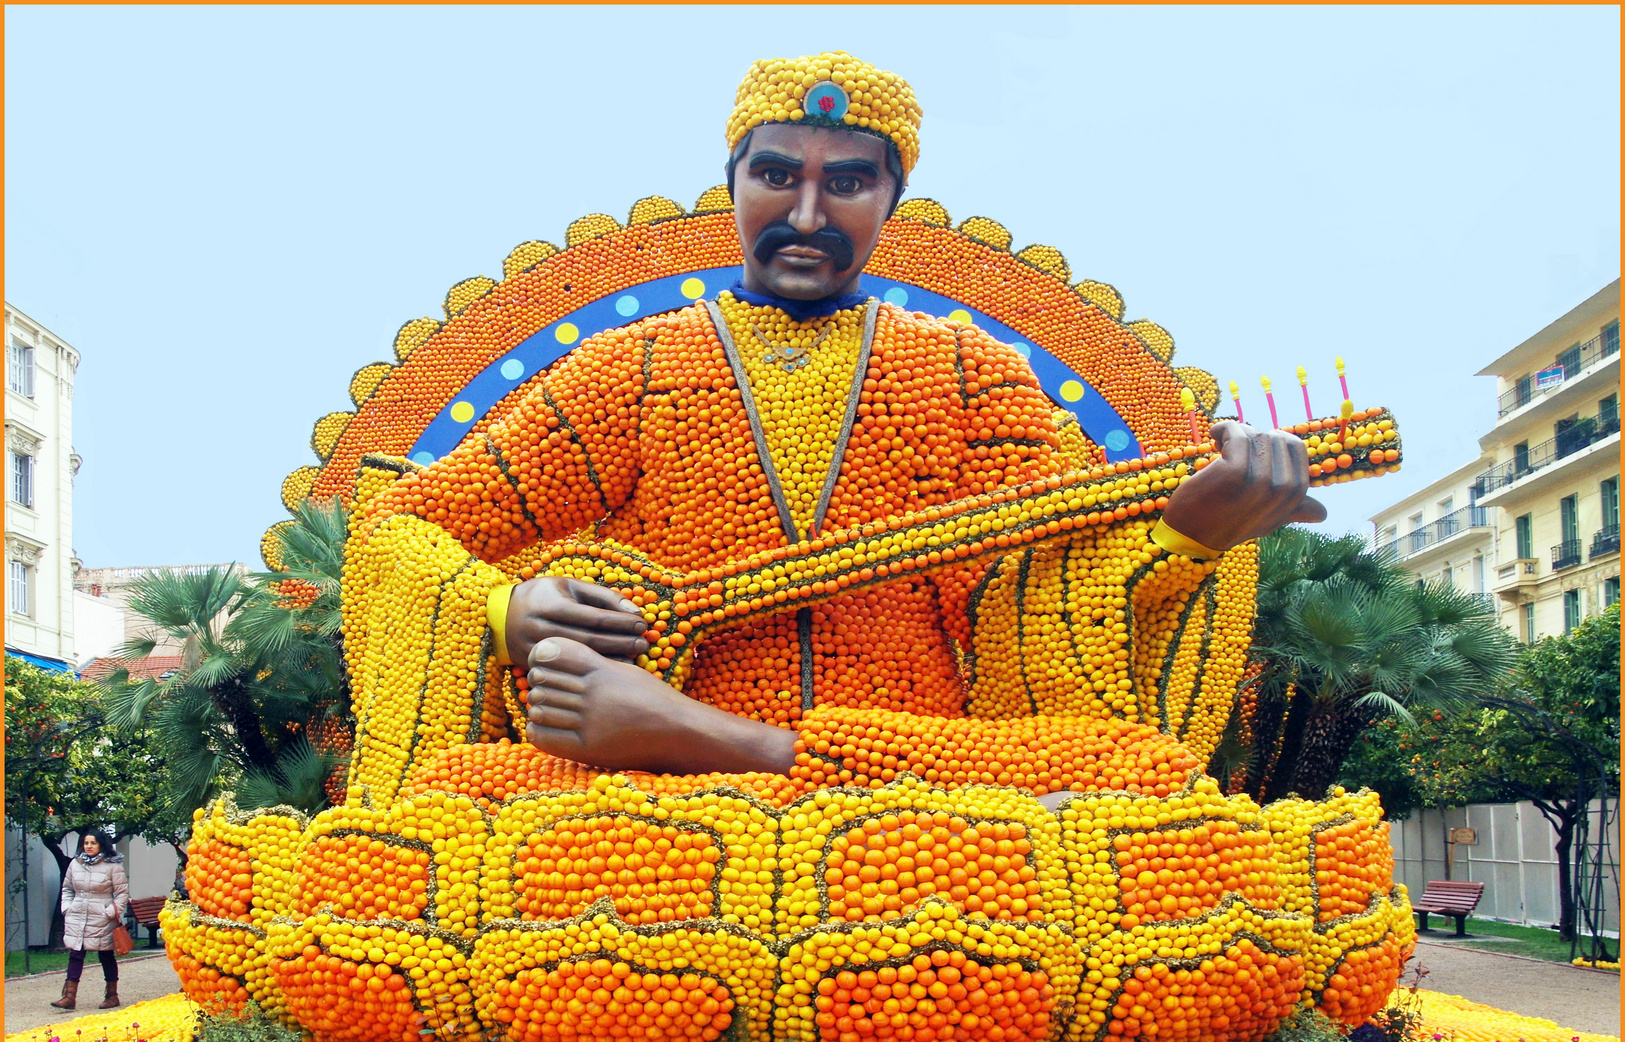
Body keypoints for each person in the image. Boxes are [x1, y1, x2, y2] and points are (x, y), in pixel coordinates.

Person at [342, 51, 1324, 809]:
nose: (805, 212)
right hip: (664, 796)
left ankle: (721, 743)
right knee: (457, 797)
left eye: (846, 183)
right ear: (731, 182)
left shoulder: (971, 375)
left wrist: (1193, 534)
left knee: (1134, 777)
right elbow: (396, 533)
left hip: (906, 778)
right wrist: (500, 609)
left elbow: (1038, 605)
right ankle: (737, 768)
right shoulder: (627, 369)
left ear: (891, 199)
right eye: (775, 174)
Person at [50, 829, 129, 1011]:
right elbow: (67, 888)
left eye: (93, 843)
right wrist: (67, 908)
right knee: (76, 954)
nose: (89, 846)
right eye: (86, 843)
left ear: (101, 844)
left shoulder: (112, 866)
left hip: (102, 918)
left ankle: (112, 995)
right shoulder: (75, 864)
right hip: (77, 916)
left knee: (106, 954)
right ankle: (69, 997)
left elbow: (122, 893)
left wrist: (110, 912)